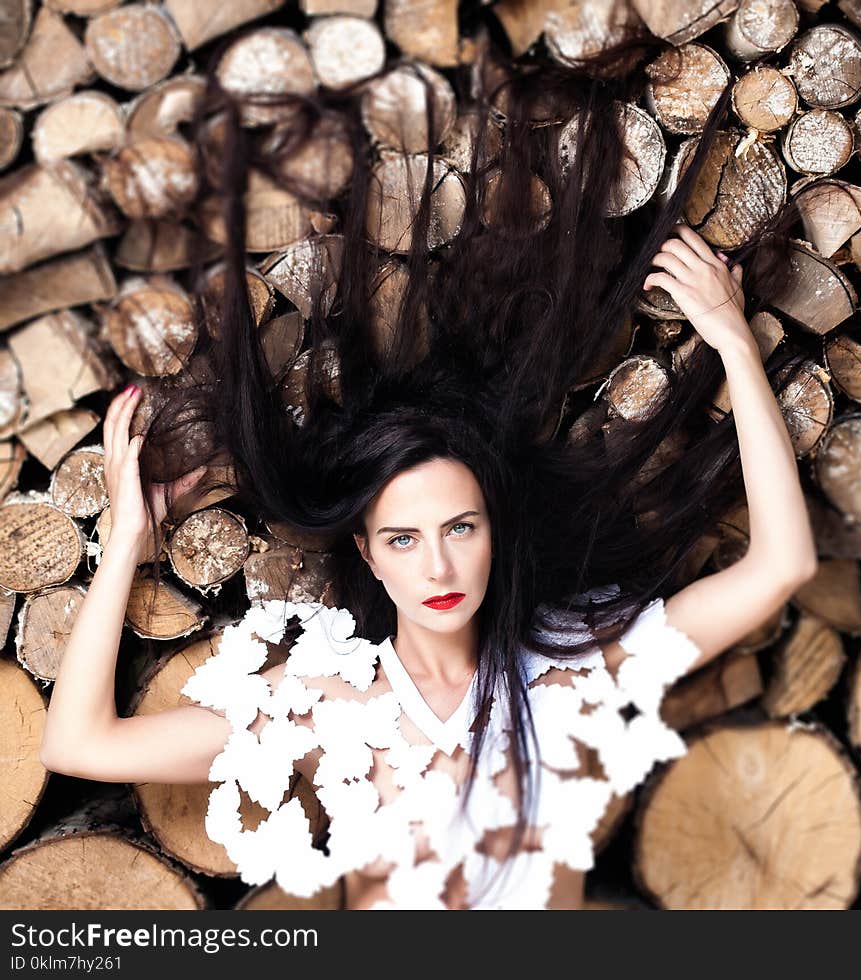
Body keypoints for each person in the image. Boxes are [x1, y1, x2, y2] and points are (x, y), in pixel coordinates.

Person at [40, 5, 818, 909]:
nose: (439, 564)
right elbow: (77, 746)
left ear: (495, 529)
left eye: (459, 526)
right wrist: (126, 539)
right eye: (404, 539)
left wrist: (733, 346)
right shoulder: (326, 702)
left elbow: (784, 566)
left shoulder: (572, 675)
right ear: (367, 554)